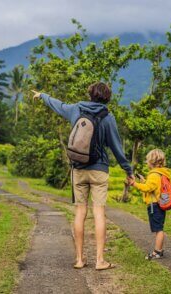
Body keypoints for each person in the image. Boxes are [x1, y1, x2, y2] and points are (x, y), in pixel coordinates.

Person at [31, 82, 134, 270]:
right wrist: (129, 171)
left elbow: (58, 105)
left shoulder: (76, 109)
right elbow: (117, 149)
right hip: (99, 170)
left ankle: (79, 259)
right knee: (99, 213)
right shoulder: (108, 117)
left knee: (80, 212)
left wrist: (42, 96)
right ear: (107, 98)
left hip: (78, 168)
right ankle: (100, 260)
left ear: (90, 94)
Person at [128, 149, 170, 260]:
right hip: (159, 204)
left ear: (152, 162)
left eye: (147, 160)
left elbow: (147, 188)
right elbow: (152, 187)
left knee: (158, 229)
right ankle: (159, 250)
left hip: (155, 206)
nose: (146, 162)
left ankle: (157, 252)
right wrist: (144, 181)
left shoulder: (154, 175)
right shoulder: (161, 173)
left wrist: (134, 184)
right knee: (158, 228)